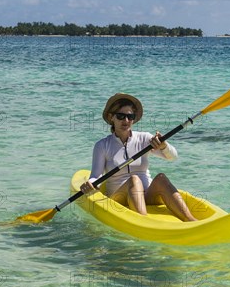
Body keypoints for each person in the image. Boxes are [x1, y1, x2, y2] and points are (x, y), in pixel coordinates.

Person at [80, 93, 198, 222]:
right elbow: (96, 176)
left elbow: (173, 157)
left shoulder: (144, 138)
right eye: (120, 116)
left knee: (161, 178)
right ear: (111, 117)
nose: (126, 121)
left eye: (130, 117)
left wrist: (163, 146)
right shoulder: (102, 145)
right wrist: (90, 184)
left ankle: (191, 220)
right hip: (118, 199)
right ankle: (144, 222)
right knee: (134, 180)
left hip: (147, 195)